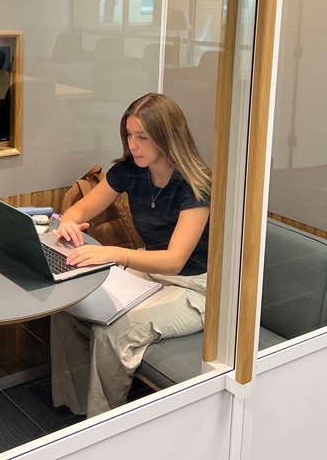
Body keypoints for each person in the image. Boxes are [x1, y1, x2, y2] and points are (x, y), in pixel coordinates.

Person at [50, 92, 211, 418]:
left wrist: (113, 254)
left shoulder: (195, 186)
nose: (133, 145)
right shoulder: (132, 169)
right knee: (65, 306)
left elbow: (174, 260)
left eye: (142, 137)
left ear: (167, 138)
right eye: (128, 135)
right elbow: (81, 208)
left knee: (113, 332)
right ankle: (77, 407)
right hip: (149, 268)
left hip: (195, 285)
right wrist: (68, 222)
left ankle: (104, 426)